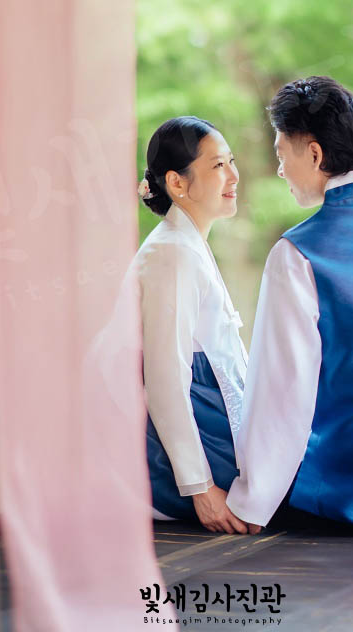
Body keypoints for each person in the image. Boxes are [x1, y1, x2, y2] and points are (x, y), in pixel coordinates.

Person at [226, 77, 353, 535]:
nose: (279, 171)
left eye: (281, 155)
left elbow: (282, 396)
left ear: (314, 155)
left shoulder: (301, 254)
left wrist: (250, 503)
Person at [136, 116, 248, 534]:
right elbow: (164, 377)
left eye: (231, 161)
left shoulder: (186, 244)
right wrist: (200, 488)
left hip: (217, 432)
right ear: (177, 183)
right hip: (184, 463)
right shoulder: (171, 253)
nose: (233, 175)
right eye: (218, 165)